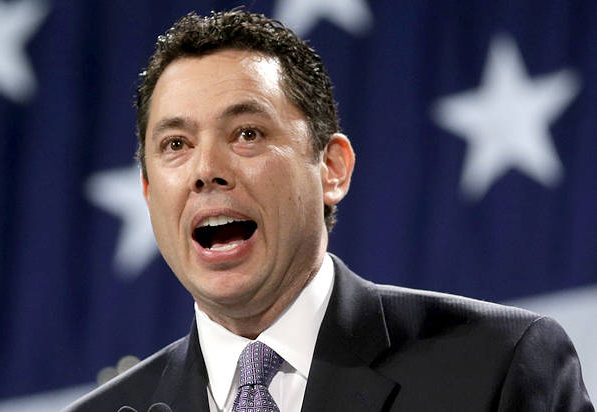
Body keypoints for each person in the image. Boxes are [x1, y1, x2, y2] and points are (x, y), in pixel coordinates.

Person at [64, 9, 594, 412]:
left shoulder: (496, 367)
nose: (206, 169)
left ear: (332, 169)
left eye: (247, 133)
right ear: (150, 192)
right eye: (175, 145)